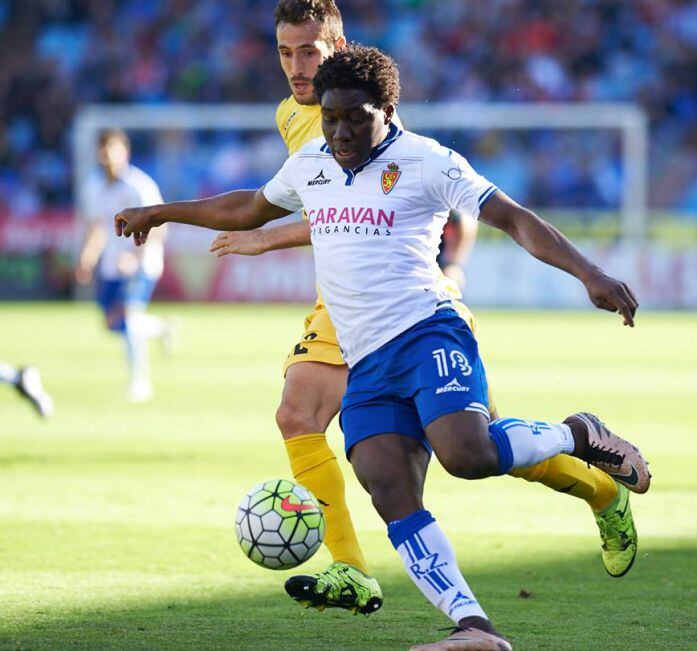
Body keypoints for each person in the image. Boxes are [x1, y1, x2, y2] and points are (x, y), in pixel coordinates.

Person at [115, 44, 650, 650]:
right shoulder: (312, 162)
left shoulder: (428, 162)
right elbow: (245, 208)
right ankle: (475, 629)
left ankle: (580, 432)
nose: (340, 132)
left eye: (354, 118)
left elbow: (515, 217)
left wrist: (589, 275)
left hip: (429, 330)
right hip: (366, 356)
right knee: (387, 486)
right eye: (330, 117)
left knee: (466, 455)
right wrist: (162, 212)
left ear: (387, 109)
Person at [75, 129, 175, 403]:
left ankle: (139, 383)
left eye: (113, 148)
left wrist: (135, 256)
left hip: (142, 263)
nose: (108, 155)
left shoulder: (139, 186)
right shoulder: (94, 187)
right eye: (104, 149)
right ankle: (161, 328)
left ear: (125, 152)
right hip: (111, 264)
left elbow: (160, 228)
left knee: (130, 320)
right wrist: (87, 258)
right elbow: (97, 227)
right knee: (112, 324)